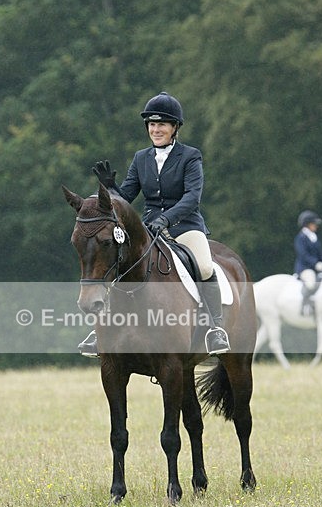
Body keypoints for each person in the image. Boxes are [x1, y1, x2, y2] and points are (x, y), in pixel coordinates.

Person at [78, 91, 230, 356]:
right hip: (148, 229)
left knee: (205, 266)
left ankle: (215, 328)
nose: (156, 129)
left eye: (162, 124)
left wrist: (167, 219)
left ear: (175, 127)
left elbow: (192, 197)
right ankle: (100, 331)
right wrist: (111, 188)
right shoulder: (141, 158)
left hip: (185, 227)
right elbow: (126, 197)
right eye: (152, 124)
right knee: (116, 262)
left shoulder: (190, 156)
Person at [294, 210, 322, 315]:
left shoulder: (314, 237)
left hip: (317, 268)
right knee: (311, 284)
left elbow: (321, 254)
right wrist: (316, 264)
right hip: (305, 268)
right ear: (307, 224)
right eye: (314, 223)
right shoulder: (300, 238)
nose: (316, 226)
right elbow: (303, 255)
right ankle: (305, 306)